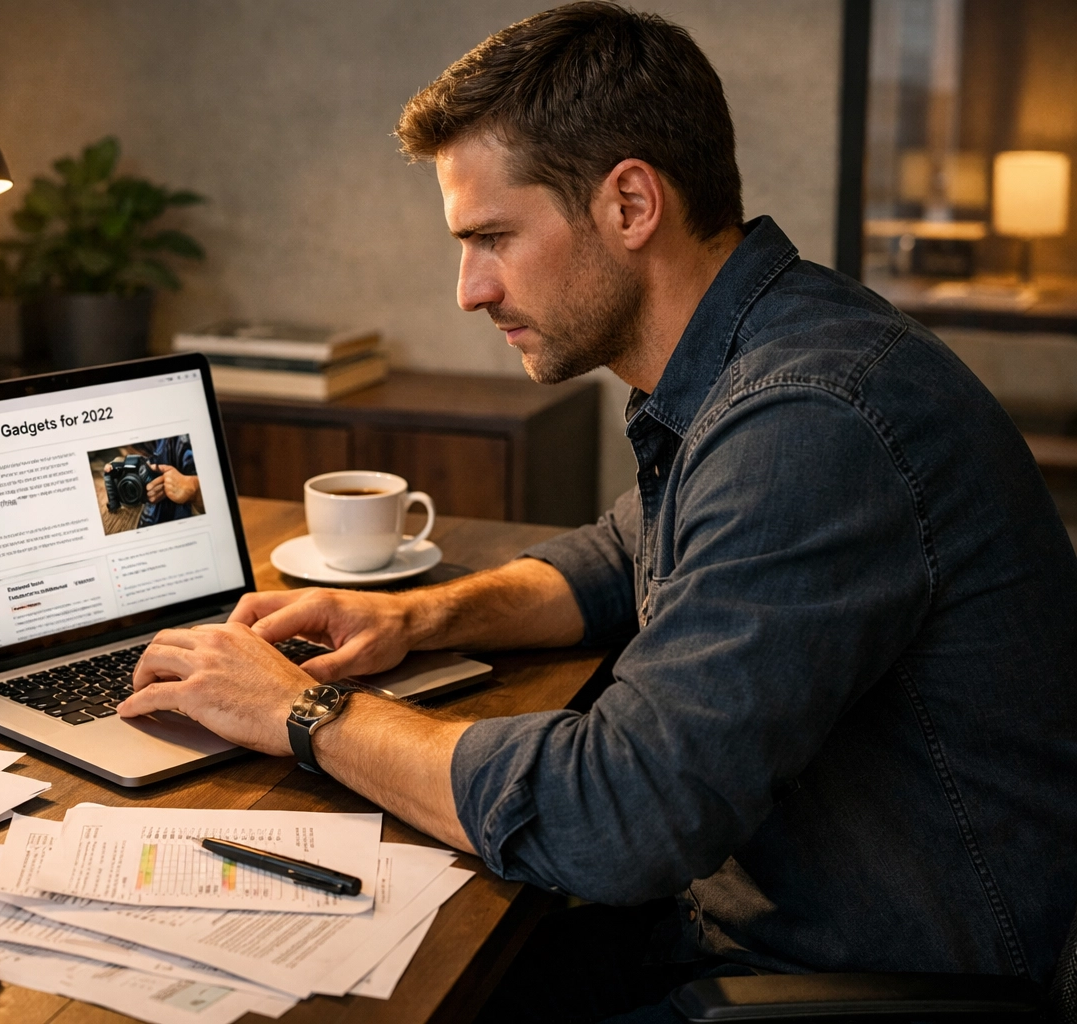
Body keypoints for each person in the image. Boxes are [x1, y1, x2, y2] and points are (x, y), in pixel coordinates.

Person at [116, 4, 1077, 1021]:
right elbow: (628, 551)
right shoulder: (763, 351)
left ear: (629, 203)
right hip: (753, 921)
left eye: (492, 237)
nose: (469, 289)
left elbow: (621, 812)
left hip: (869, 979)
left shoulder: (809, 419)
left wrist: (300, 712)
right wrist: (416, 615)